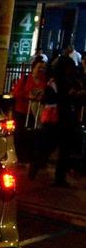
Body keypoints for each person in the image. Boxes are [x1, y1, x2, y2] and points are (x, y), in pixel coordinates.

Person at [33, 55, 82, 187]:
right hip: (57, 120)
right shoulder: (57, 82)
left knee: (58, 149)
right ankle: (38, 170)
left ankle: (56, 176)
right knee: (51, 148)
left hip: (60, 121)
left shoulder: (59, 81)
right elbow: (51, 99)